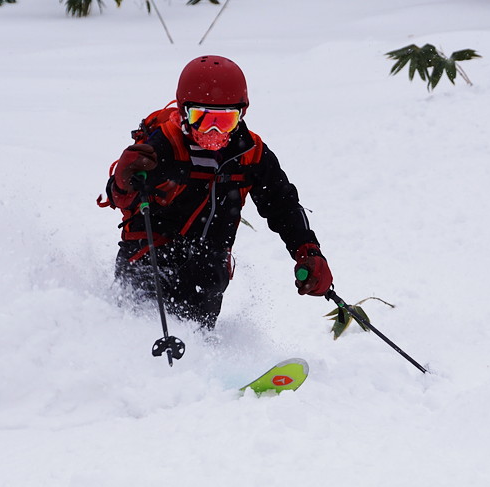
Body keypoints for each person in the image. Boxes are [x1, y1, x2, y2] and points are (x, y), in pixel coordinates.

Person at [100, 55, 333, 329]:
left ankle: (200, 364)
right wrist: (123, 180)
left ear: (241, 115)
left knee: (204, 298)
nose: (212, 132)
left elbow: (283, 205)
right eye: (202, 119)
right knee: (146, 324)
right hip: (151, 257)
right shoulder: (163, 145)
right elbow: (120, 197)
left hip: (207, 269)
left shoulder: (250, 154)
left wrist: (308, 251)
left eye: (224, 121)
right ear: (184, 111)